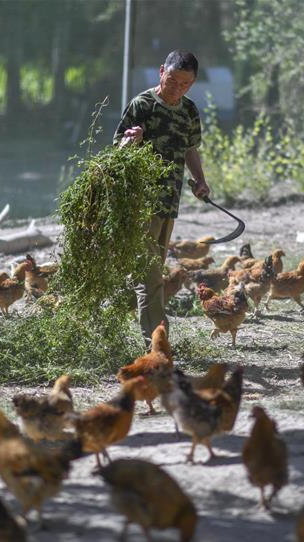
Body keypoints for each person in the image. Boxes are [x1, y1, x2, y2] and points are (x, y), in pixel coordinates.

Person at [114, 50, 210, 346]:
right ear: (161, 73)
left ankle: (107, 314)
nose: (177, 89)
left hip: (168, 204)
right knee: (151, 277)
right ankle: (155, 345)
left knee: (146, 272)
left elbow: (190, 149)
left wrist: (200, 180)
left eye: (185, 84)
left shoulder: (189, 111)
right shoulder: (142, 105)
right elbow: (117, 151)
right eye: (172, 81)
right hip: (140, 204)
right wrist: (131, 142)